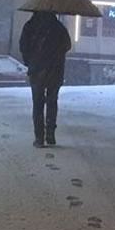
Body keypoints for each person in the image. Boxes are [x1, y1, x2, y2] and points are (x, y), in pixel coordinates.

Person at [19, 11, 72, 148]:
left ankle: (39, 138)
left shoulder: (30, 26)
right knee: (52, 101)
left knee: (37, 104)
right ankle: (50, 134)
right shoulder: (58, 27)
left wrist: (30, 62)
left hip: (37, 70)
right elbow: (67, 45)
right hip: (55, 70)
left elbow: (23, 46)